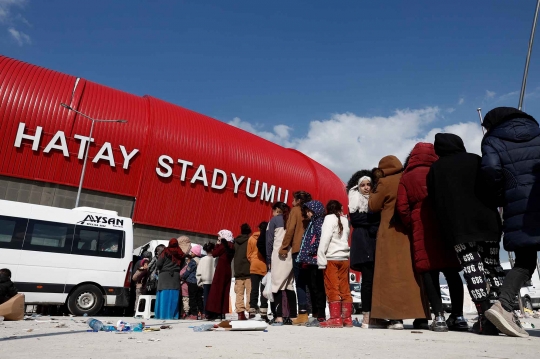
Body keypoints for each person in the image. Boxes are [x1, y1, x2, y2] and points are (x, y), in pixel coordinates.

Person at [427, 133, 503, 335]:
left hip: (459, 229)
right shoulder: (475, 160)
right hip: (487, 223)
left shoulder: (436, 169)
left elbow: (435, 203)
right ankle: (503, 311)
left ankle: (484, 316)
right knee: (493, 267)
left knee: (472, 270)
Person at [480, 107, 540, 338]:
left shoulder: (492, 140)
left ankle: (503, 306)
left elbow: (491, 169)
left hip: (519, 206)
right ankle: (503, 307)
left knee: (525, 262)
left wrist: (499, 198)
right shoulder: (538, 132)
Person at [396, 142, 467, 332]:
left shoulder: (406, 176)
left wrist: (412, 223)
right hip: (444, 223)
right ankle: (459, 317)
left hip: (421, 226)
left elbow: (402, 207)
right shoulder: (440, 169)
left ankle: (439, 317)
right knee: (452, 272)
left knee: (429, 273)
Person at [369, 155, 430, 330]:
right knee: (412, 274)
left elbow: (373, 205)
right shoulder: (406, 177)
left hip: (389, 232)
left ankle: (396, 319)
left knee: (390, 275)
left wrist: (374, 189)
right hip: (409, 231)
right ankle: (421, 316)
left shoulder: (384, 182)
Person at [347, 171, 381, 328]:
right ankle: (367, 316)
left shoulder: (377, 200)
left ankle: (376, 315)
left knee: (378, 281)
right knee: (367, 281)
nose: (366, 187)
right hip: (363, 245)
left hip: (376, 244)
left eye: (368, 184)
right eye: (363, 185)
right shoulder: (354, 200)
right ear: (358, 187)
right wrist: (374, 220)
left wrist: (369, 220)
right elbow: (355, 219)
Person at [279, 191, 312, 325]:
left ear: (298, 200)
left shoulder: (295, 210)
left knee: (300, 282)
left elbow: (290, 229)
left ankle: (302, 314)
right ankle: (314, 312)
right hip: (312, 250)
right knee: (311, 282)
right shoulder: (310, 210)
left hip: (298, 249)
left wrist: (284, 247)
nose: (291, 201)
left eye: (293, 199)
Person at [317, 200, 352, 328]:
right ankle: (347, 319)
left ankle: (335, 319)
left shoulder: (328, 219)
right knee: (345, 288)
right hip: (344, 258)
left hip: (331, 258)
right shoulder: (344, 220)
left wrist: (321, 259)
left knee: (332, 287)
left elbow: (325, 239)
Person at [297, 200, 328, 327]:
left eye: (309, 211)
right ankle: (316, 314)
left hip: (315, 260)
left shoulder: (318, 222)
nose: (308, 213)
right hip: (309, 260)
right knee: (312, 288)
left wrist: (310, 250)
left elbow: (319, 239)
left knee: (318, 288)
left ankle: (320, 315)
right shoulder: (312, 223)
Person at [267, 201, 297, 326]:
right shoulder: (291, 219)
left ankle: (278, 316)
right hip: (291, 254)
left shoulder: (274, 221)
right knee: (289, 286)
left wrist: (268, 259)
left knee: (276, 285)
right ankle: (293, 316)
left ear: (276, 210)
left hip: (279, 255)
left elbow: (269, 241)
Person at [206, 230, 235, 320]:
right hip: (228, 269)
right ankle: (222, 312)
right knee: (225, 291)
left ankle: (215, 312)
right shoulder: (232, 245)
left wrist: (218, 244)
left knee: (216, 291)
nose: (218, 238)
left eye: (219, 236)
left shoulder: (223, 245)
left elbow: (214, 254)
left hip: (221, 269)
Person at [155, 238, 185, 320]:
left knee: (163, 297)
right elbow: (183, 265)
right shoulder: (180, 253)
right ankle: (173, 315)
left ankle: (162, 315)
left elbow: (158, 264)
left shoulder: (165, 252)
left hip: (164, 277)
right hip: (175, 277)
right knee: (173, 297)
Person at [247, 221, 269, 320]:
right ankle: (264, 312)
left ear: (258, 228)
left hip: (254, 266)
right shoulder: (267, 237)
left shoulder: (251, 238)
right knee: (264, 290)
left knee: (254, 289)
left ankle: (252, 311)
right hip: (264, 266)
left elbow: (248, 254)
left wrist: (252, 260)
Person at [234, 223, 252, 321]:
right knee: (250, 293)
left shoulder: (236, 242)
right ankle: (250, 312)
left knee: (239, 293)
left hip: (238, 271)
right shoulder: (250, 240)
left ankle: (240, 314)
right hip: (248, 270)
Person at [181, 247, 203, 320]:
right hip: (199, 282)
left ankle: (194, 314)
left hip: (192, 281)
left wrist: (183, 277)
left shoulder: (193, 261)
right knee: (199, 298)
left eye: (192, 252)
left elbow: (188, 271)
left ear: (195, 253)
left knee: (192, 298)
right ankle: (203, 313)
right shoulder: (201, 260)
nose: (191, 253)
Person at [197, 242, 217, 318]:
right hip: (214, 281)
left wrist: (199, 282)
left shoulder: (202, 259)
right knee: (213, 298)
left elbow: (199, 272)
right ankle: (213, 313)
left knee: (206, 298)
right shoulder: (215, 259)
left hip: (205, 281)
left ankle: (206, 313)